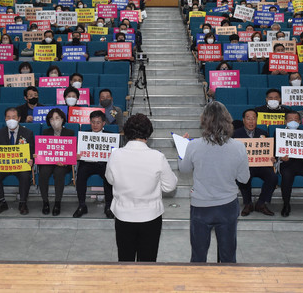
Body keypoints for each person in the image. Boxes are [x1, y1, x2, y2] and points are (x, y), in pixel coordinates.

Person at [179, 102, 249, 263]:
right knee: (227, 257)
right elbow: (244, 179)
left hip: (201, 207)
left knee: (198, 257)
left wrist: (183, 150)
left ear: (204, 120)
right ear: (228, 120)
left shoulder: (193, 145)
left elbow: (184, 169)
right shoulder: (238, 147)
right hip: (227, 206)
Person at [105, 113, 177, 262]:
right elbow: (170, 186)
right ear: (148, 133)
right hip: (150, 216)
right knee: (148, 262)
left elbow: (110, 180)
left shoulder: (116, 155)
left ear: (127, 133)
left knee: (125, 260)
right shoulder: (157, 157)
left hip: (123, 215)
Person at [0, 107, 35, 215]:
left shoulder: (28, 133)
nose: (11, 119)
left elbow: (32, 151)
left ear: (19, 118)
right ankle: (1, 202)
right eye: (8, 117)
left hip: (20, 166)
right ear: (5, 119)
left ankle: (23, 202)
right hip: (4, 165)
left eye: (14, 117)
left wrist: (31, 160)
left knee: (25, 175)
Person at [232, 109, 276, 216]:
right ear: (243, 120)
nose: (251, 121)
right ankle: (248, 204)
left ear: (257, 120)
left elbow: (270, 150)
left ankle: (261, 203)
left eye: (254, 118)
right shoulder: (235, 134)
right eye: (248, 118)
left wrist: (272, 158)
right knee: (243, 176)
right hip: (245, 166)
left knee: (273, 177)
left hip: (261, 164)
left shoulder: (263, 133)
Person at [74, 111, 115, 219]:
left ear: (103, 123)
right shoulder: (84, 135)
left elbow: (116, 153)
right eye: (93, 122)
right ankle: (82, 205)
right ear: (90, 122)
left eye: (98, 122)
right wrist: (77, 155)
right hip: (87, 163)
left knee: (108, 177)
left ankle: (108, 206)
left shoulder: (110, 137)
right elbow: (77, 152)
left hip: (103, 164)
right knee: (81, 176)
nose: (95, 125)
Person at [38, 108, 74, 216]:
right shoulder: (45, 132)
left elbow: (71, 151)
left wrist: (66, 161)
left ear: (63, 119)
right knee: (43, 172)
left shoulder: (69, 132)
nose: (54, 121)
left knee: (59, 172)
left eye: (57, 118)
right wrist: (38, 155)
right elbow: (42, 149)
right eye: (52, 119)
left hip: (63, 163)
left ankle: (57, 203)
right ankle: (45, 202)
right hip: (48, 162)